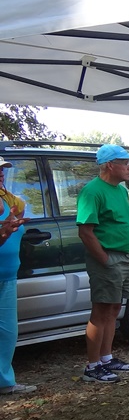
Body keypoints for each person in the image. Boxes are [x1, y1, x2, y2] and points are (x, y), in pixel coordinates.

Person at [74, 145, 129, 384]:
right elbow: (85, 231)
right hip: (108, 258)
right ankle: (92, 366)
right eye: (125, 163)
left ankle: (106, 358)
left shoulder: (121, 190)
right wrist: (104, 259)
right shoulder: (92, 192)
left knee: (113, 309)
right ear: (110, 165)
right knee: (101, 311)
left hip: (125, 257)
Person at [0, 156, 33, 394]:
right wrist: (3, 234)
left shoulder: (11, 201)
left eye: (2, 170)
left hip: (8, 276)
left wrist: (10, 224)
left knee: (7, 333)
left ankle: (5, 383)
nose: (1, 174)